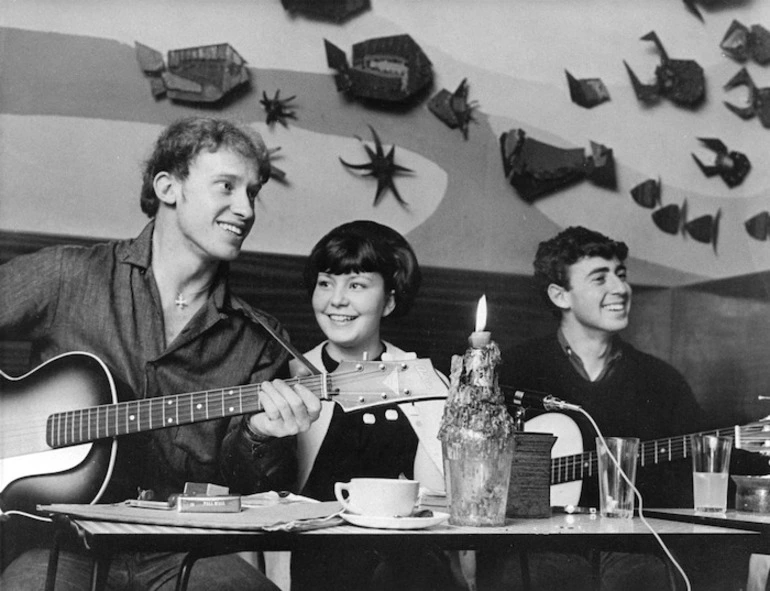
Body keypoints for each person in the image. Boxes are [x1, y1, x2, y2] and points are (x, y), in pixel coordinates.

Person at [0, 116, 321, 590]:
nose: (246, 209)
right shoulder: (69, 276)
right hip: (58, 546)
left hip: (182, 553)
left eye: (252, 192)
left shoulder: (259, 337)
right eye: (227, 186)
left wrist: (260, 433)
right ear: (168, 187)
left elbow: (261, 490)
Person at [477, 226, 705, 591]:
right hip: (534, 549)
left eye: (621, 275)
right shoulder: (512, 370)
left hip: (632, 551)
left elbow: (692, 479)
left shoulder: (663, 381)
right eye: (600, 278)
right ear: (560, 295)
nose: (620, 289)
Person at [286, 220, 460, 591]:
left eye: (357, 285)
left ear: (390, 301)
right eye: (325, 283)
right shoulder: (289, 377)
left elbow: (443, 502)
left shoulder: (424, 379)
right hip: (314, 564)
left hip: (406, 565)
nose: (337, 300)